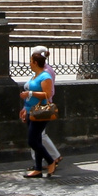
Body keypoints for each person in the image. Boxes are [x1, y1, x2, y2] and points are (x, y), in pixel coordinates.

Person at [19, 45, 62, 178]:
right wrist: (24, 108)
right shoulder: (35, 75)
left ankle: (51, 161)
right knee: (37, 139)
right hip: (30, 110)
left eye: (31, 61)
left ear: (36, 62)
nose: (29, 63)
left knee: (33, 141)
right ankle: (38, 168)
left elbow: (47, 94)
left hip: (40, 112)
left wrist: (30, 93)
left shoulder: (45, 75)